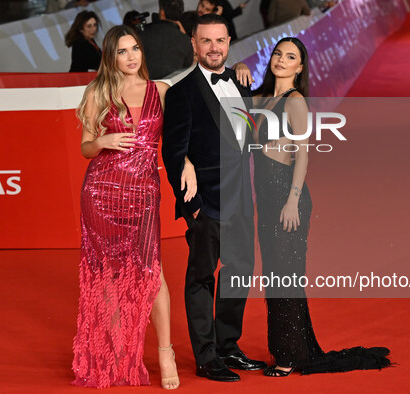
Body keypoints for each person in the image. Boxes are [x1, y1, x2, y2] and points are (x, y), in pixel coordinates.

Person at [249, 37, 391, 376]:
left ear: (300, 67)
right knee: (274, 275)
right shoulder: (261, 98)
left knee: (286, 275)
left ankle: (288, 356)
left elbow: (304, 153)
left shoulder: (295, 101)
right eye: (278, 54)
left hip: (287, 195)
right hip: (266, 197)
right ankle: (290, 347)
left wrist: (293, 201)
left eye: (291, 57)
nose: (282, 60)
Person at [72, 24, 190, 390]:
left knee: (151, 273)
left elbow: (176, 140)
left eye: (135, 48)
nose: (131, 56)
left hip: (142, 192)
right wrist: (102, 139)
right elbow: (86, 148)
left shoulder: (161, 90)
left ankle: (164, 351)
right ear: (111, 56)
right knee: (107, 273)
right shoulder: (98, 92)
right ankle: (116, 352)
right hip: (102, 190)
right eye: (122, 51)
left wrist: (185, 163)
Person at [161, 14, 266, 382]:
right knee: (202, 278)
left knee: (238, 273)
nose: (214, 48)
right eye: (206, 41)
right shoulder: (181, 93)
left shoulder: (240, 83)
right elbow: (173, 152)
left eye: (220, 41)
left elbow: (244, 142)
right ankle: (206, 357)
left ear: (228, 42)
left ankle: (228, 346)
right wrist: (193, 206)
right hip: (206, 201)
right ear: (193, 44)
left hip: (241, 197)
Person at [139, 0, 194, 79]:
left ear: (162, 12)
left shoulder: (142, 36)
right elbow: (188, 66)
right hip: (177, 87)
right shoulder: (185, 40)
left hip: (149, 88)